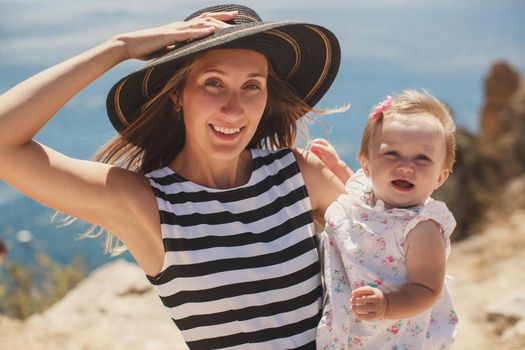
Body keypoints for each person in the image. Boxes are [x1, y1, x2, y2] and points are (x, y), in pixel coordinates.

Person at [0, 4, 347, 349]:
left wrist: (364, 192)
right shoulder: (149, 204)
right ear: (178, 94)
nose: (234, 108)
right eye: (214, 83)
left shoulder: (298, 173)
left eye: (252, 86)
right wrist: (119, 47)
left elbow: (386, 246)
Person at [309, 90, 459, 349]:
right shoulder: (365, 193)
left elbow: (427, 289)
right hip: (351, 326)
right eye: (392, 154)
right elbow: (355, 194)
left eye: (422, 158)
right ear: (366, 165)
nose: (406, 166)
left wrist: (388, 305)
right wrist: (335, 167)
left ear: (440, 177)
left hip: (393, 335)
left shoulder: (422, 228)